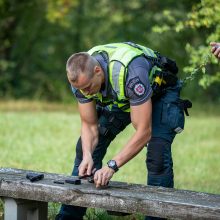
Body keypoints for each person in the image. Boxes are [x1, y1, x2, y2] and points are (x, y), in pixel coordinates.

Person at [56, 42, 187, 220]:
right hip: (124, 98)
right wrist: (87, 154)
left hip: (159, 94)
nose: (85, 93)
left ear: (97, 71)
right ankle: (68, 217)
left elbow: (143, 132)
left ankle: (157, 218)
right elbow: (89, 125)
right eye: (81, 89)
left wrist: (112, 165)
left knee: (157, 154)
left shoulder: (131, 73)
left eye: (87, 88)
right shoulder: (81, 80)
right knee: (86, 150)